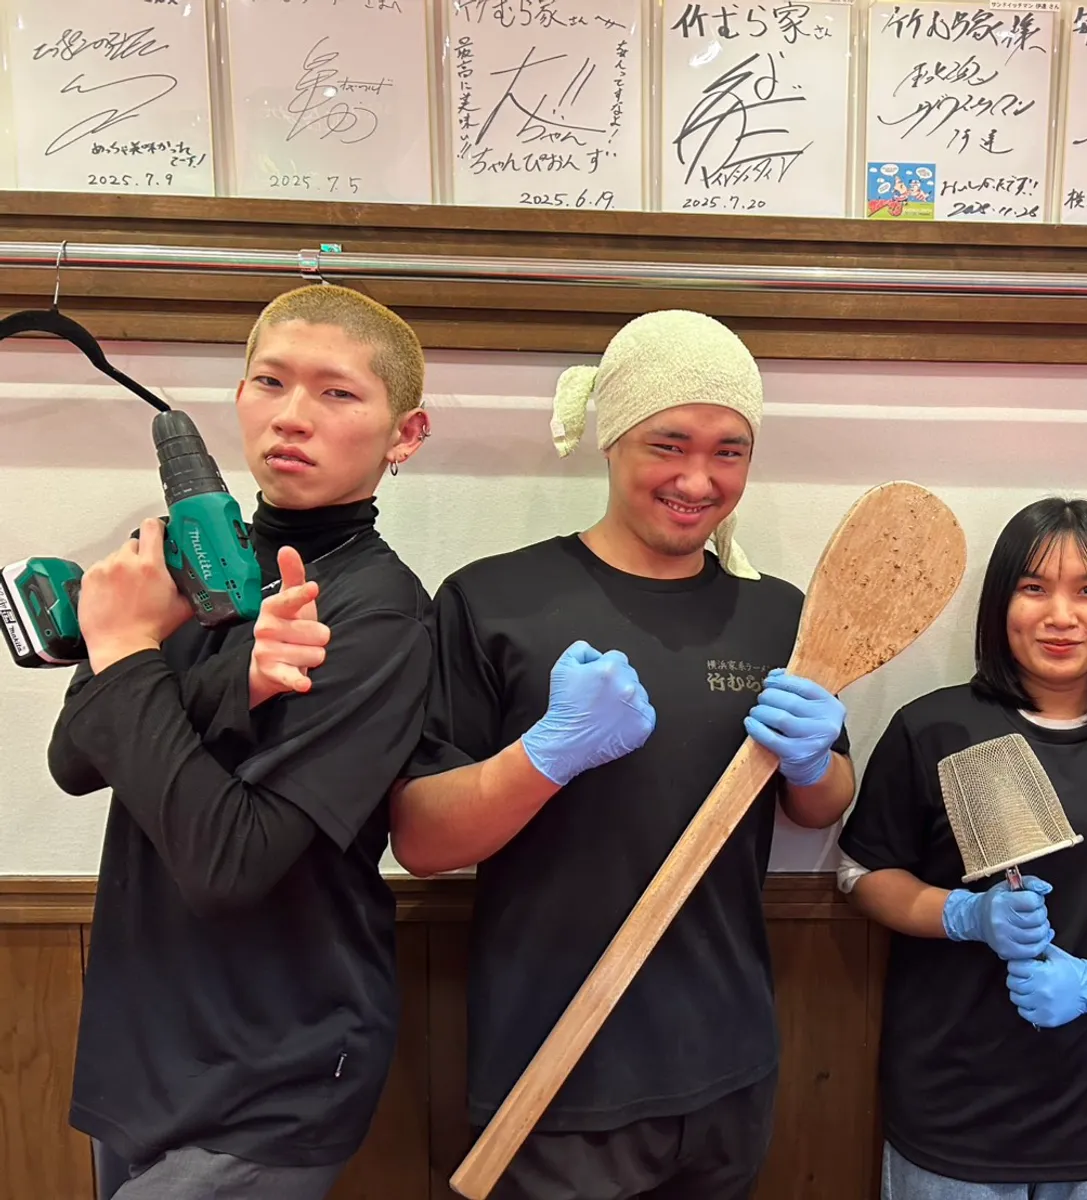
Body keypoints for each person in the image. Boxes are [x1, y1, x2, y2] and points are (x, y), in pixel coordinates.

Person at [389, 309, 855, 1200]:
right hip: (554, 1074)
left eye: (729, 451)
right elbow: (422, 840)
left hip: (729, 1064)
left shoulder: (778, 613)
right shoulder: (493, 602)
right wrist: (548, 754)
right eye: (667, 444)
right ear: (611, 438)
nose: (698, 478)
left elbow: (824, 802)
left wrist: (811, 763)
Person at [48, 283, 435, 1199]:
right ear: (238, 395)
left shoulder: (378, 615)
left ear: (405, 435)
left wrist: (130, 651)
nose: (292, 415)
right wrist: (224, 680)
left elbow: (231, 861)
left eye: (337, 392)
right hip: (145, 1047)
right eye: (270, 381)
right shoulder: (186, 561)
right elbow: (74, 758)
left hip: (275, 1071)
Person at [835, 497, 1087, 1200]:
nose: (1060, 615)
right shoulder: (934, 727)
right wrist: (963, 915)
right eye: (1033, 587)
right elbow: (865, 874)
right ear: (1000, 603)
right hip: (951, 1107)